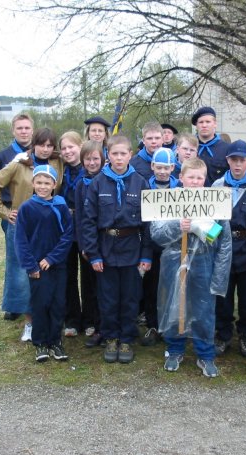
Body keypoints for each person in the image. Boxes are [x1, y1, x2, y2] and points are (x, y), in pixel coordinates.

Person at [151, 157, 232, 377]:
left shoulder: (214, 202)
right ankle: (174, 349)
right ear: (181, 177)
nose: (195, 182)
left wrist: (199, 226)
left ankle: (205, 354)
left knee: (204, 307)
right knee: (175, 303)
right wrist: (178, 225)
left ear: (205, 179)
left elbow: (223, 239)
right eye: (191, 177)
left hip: (204, 261)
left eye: (199, 178)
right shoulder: (169, 200)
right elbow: (156, 234)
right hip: (174, 260)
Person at [0, 127, 64, 343]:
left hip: (49, 225)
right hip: (22, 225)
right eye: (41, 145)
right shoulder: (19, 164)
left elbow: (77, 154)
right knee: (24, 274)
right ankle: (29, 322)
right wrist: (4, 212)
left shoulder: (58, 162)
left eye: (49, 145)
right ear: (33, 145)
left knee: (47, 271)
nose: (45, 149)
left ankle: (49, 318)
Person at [81, 135, 153, 364]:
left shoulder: (141, 182)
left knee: (130, 298)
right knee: (108, 297)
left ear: (130, 154)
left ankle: (127, 339)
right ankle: (111, 337)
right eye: (114, 154)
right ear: (108, 155)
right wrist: (93, 254)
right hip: (106, 248)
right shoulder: (98, 183)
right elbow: (88, 221)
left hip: (132, 248)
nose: (119, 158)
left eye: (123, 153)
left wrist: (146, 254)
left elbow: (148, 223)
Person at [212, 140, 246, 359]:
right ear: (228, 160)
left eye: (241, 160)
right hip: (223, 248)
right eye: (233, 159)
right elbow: (210, 220)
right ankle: (223, 334)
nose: (237, 164)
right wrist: (212, 243)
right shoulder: (217, 186)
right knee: (223, 296)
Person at [14, 164, 74, 362]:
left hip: (57, 265)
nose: (42, 186)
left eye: (47, 183)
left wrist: (52, 258)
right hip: (37, 267)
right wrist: (31, 265)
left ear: (54, 185)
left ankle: (55, 341)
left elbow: (67, 235)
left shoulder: (61, 206)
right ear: (33, 183)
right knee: (40, 303)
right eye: (39, 182)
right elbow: (21, 240)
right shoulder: (27, 208)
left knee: (58, 303)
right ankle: (40, 342)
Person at [0, 112, 34, 321]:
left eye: (27, 128)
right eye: (19, 128)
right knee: (16, 261)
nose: (23, 131)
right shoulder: (3, 156)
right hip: (13, 215)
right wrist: (5, 213)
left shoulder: (40, 153)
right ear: (13, 131)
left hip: (36, 214)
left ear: (32, 130)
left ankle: (33, 304)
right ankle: (15, 305)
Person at [141, 147, 181, 347]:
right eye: (159, 167)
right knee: (152, 286)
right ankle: (153, 324)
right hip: (152, 246)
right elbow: (144, 223)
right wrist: (145, 253)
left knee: (173, 287)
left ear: (173, 167)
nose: (163, 171)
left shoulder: (180, 188)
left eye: (166, 167)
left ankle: (171, 324)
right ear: (152, 166)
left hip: (174, 246)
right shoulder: (145, 187)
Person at [75, 141, 106, 347]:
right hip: (88, 242)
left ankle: (104, 324)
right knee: (89, 285)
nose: (92, 163)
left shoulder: (106, 180)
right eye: (88, 159)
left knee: (104, 286)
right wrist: (83, 245)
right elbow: (80, 217)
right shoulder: (81, 184)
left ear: (102, 159)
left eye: (95, 158)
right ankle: (91, 321)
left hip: (105, 241)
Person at [59, 131, 85, 337]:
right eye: (64, 148)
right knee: (68, 275)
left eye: (71, 147)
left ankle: (91, 318)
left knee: (89, 276)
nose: (68, 151)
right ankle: (72, 319)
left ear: (81, 146)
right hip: (65, 228)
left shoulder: (91, 167)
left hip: (85, 227)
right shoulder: (59, 170)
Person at [192, 106, 230, 185]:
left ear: (215, 124)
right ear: (196, 125)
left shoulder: (226, 149)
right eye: (201, 122)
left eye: (208, 122)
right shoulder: (189, 147)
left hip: (218, 192)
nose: (204, 125)